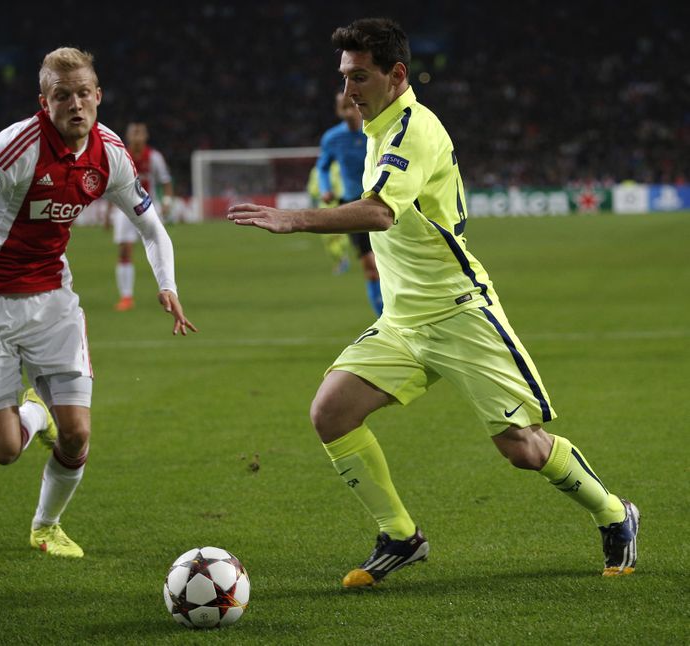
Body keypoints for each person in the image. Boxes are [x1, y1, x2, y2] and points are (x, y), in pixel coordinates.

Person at [228, 18, 638, 587]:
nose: (350, 90)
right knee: (331, 412)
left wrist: (293, 218)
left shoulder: (414, 131)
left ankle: (615, 514)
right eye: (345, 77)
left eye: (362, 77)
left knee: (521, 447)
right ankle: (401, 535)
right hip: (404, 321)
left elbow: (379, 212)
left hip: (459, 312)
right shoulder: (376, 126)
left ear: (397, 75)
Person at [0, 47, 196, 558]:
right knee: (5, 450)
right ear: (45, 102)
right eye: (63, 96)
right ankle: (37, 413)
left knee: (78, 434)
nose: (76, 105)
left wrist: (166, 283)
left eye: (84, 94)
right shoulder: (14, 150)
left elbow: (152, 227)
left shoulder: (110, 154)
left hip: (53, 302)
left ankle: (45, 526)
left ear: (98, 96)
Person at [316, 90, 383, 316]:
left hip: (383, 202)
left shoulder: (376, 130)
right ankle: (383, 318)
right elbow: (323, 167)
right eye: (343, 107)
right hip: (354, 205)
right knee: (371, 268)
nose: (348, 112)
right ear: (338, 111)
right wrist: (325, 189)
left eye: (351, 106)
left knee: (392, 265)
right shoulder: (332, 138)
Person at [108, 121, 175, 311]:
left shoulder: (154, 157)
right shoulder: (121, 155)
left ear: (145, 136)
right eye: (134, 133)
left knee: (158, 247)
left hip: (147, 208)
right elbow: (110, 184)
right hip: (123, 209)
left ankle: (167, 291)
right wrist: (107, 213)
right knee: (124, 251)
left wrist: (167, 203)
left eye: (140, 133)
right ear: (128, 137)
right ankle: (126, 297)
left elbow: (165, 181)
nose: (137, 137)